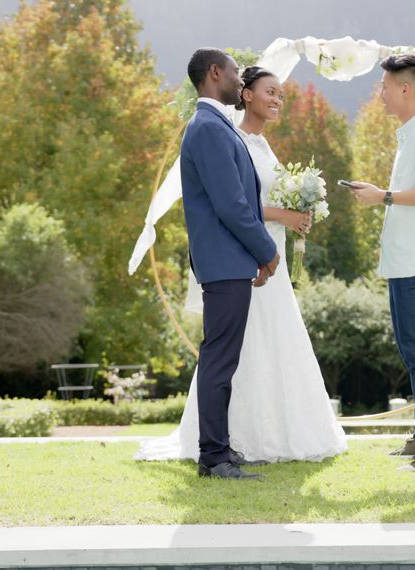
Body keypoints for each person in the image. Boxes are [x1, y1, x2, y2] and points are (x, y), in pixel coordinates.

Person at [136, 57, 346, 471]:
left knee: (224, 359)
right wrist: (267, 253)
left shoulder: (215, 127)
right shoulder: (211, 128)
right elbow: (233, 206)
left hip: (231, 261)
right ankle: (213, 456)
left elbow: (238, 201)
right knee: (220, 361)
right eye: (234, 72)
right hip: (227, 261)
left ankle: (220, 447)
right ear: (216, 73)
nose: (238, 78)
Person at [349, 53, 415, 472]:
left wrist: (383, 195)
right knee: (413, 354)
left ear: (405, 89)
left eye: (385, 86)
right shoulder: (411, 136)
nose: (380, 94)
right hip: (404, 262)